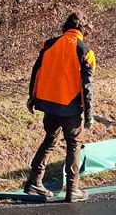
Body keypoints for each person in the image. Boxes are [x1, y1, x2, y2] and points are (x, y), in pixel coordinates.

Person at [25, 13, 96, 203]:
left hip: (49, 104)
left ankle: (35, 181)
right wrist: (89, 112)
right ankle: (73, 189)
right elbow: (86, 85)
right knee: (73, 145)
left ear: (66, 27)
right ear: (84, 30)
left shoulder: (49, 44)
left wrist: (32, 96)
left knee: (49, 141)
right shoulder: (85, 50)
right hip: (70, 107)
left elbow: (37, 70)